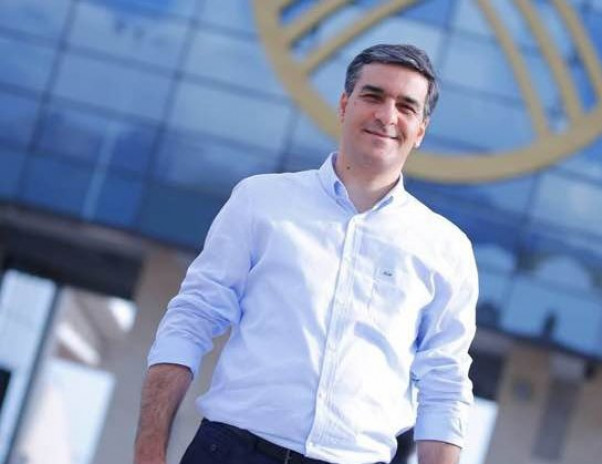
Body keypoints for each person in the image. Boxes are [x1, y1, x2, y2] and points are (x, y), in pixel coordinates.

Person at [134, 43, 479, 464]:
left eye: (406, 106)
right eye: (373, 96)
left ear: (421, 130)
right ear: (344, 105)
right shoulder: (260, 200)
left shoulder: (446, 249)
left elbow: (445, 386)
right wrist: (148, 450)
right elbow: (192, 319)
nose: (387, 116)